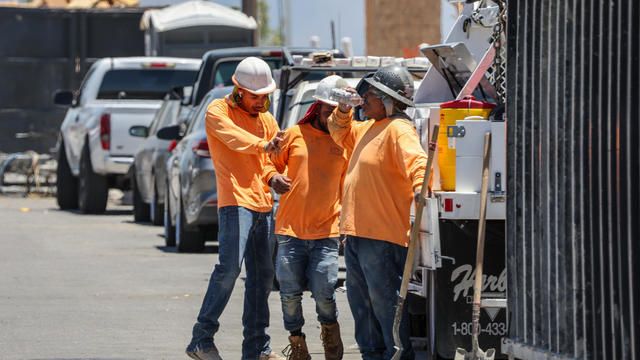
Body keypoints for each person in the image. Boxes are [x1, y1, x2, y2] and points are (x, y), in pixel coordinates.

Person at [186, 57, 286, 360]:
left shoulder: (267, 120)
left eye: (264, 95)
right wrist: (265, 146)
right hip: (234, 203)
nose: (260, 101)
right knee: (229, 269)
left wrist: (274, 176)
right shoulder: (218, 110)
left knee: (262, 278)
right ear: (239, 90)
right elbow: (234, 138)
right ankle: (201, 339)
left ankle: (257, 350)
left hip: (262, 204)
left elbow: (268, 163)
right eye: (254, 95)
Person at [327, 65, 427, 360]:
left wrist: (420, 186)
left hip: (381, 238)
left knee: (384, 307)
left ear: (387, 99)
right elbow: (338, 131)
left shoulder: (399, 129)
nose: (364, 100)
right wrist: (344, 110)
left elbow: (418, 161)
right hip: (358, 236)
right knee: (363, 308)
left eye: (369, 95)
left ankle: (397, 356)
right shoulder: (369, 128)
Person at [264, 75, 348, 360]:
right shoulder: (293, 135)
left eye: (337, 111)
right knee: (289, 295)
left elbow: (348, 186)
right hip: (290, 232)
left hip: (327, 232)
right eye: (327, 110)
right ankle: (297, 344)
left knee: (325, 293)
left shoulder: (345, 141)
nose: (331, 116)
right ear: (317, 106)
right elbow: (268, 164)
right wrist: (273, 177)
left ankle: (330, 335)